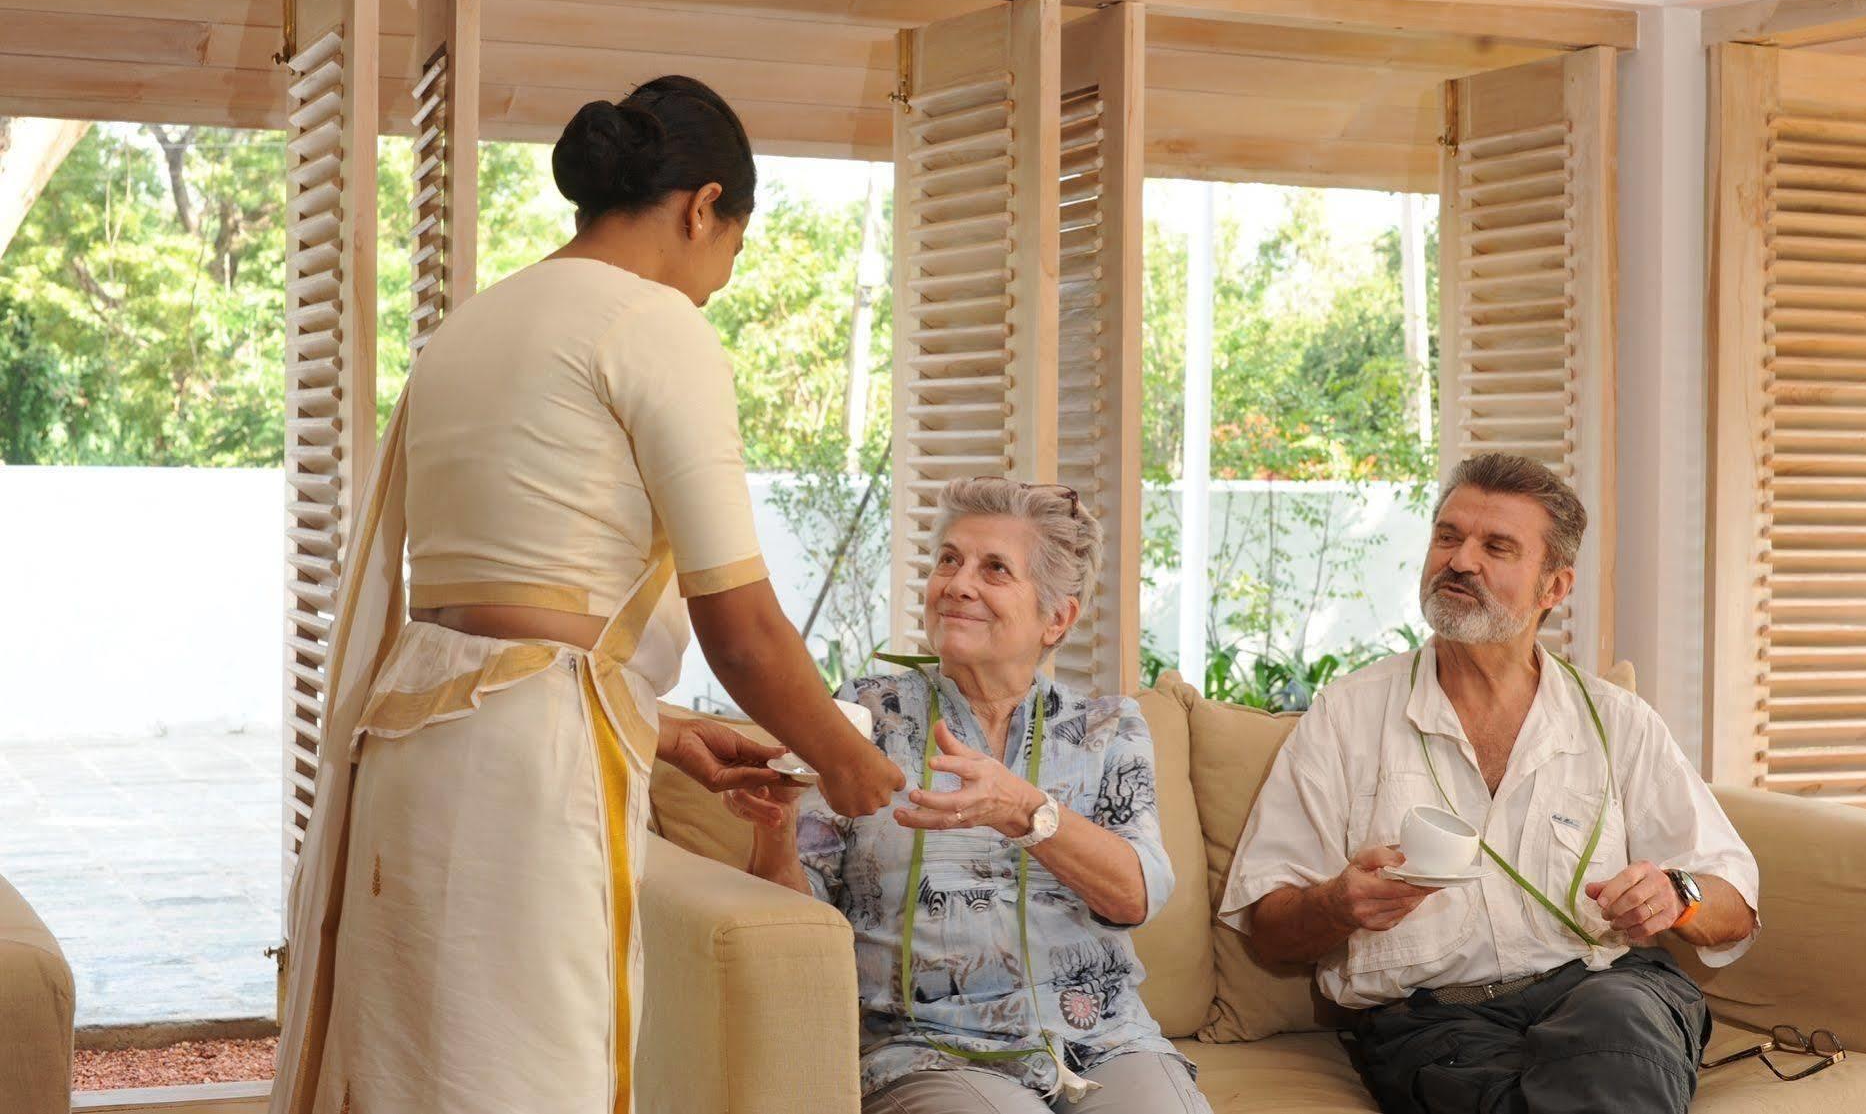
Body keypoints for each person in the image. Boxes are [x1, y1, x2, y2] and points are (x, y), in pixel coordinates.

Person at [270, 77, 905, 1114]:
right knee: (532, 1068)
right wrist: (847, 761)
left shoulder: (471, 327)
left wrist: (665, 729)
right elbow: (739, 629)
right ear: (702, 208)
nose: (717, 284)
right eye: (731, 252)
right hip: (529, 771)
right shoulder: (656, 325)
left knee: (417, 1065)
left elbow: (500, 605)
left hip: (415, 747)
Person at [1219, 452, 1760, 1114]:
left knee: (1615, 1037)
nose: (1460, 560)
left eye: (1495, 546)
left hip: (1606, 991)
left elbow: (1733, 905)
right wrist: (1336, 904)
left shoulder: (1616, 721)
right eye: (1447, 536)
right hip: (1434, 1023)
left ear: (1552, 587)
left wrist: (1678, 896)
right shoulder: (1347, 716)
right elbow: (1267, 926)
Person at [724, 477, 1212, 1113]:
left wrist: (1023, 811)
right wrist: (776, 825)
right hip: (927, 1046)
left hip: (1104, 1040)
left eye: (995, 569)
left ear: (1057, 618)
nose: (957, 583)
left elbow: (1135, 893)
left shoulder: (1106, 730)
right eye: (948, 560)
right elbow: (794, 925)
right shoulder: (865, 719)